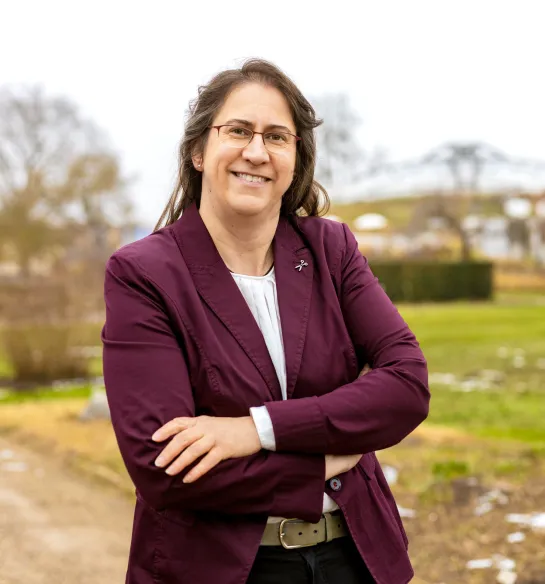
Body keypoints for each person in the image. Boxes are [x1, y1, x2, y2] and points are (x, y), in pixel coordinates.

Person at [102, 58, 430, 584]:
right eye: (238, 131)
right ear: (198, 151)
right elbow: (164, 467)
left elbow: (407, 385)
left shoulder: (331, 249)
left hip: (354, 560)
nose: (256, 152)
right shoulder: (144, 273)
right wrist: (325, 461)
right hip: (220, 569)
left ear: (296, 160)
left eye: (277, 137)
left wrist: (256, 430)